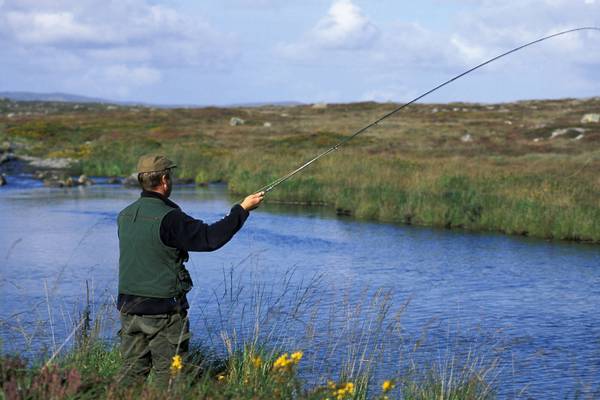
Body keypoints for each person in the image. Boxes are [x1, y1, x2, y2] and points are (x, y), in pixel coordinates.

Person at [117, 154, 263, 387]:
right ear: (165, 179)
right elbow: (209, 239)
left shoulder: (125, 215)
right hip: (162, 311)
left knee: (131, 375)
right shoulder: (170, 218)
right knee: (171, 379)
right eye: (170, 176)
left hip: (128, 309)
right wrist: (242, 209)